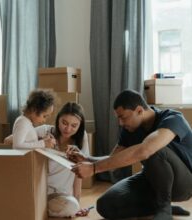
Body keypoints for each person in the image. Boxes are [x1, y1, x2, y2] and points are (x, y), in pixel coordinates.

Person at [68, 89, 192, 219]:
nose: (120, 123)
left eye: (123, 117)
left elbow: (145, 150)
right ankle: (157, 206)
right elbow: (113, 160)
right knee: (105, 205)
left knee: (154, 149)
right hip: (152, 180)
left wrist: (94, 169)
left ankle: (164, 209)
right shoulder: (130, 129)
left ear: (139, 110)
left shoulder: (173, 118)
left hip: (184, 183)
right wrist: (88, 159)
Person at [7, 101, 92, 217]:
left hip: (59, 195)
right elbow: (8, 140)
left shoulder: (82, 138)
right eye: (64, 123)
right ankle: (35, 208)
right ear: (58, 120)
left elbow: (79, 173)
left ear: (80, 126)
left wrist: (78, 202)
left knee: (72, 207)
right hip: (37, 190)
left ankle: (35, 209)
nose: (67, 129)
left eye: (74, 125)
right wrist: (40, 142)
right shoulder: (45, 131)